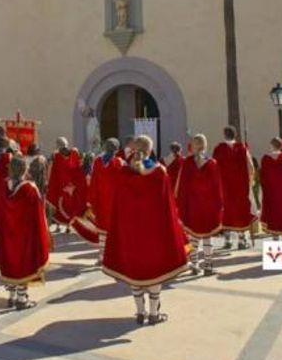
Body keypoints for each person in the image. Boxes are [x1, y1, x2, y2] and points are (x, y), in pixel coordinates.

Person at [103, 135, 189, 325]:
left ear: (135, 148)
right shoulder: (159, 172)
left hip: (130, 231)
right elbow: (168, 206)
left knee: (134, 272)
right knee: (155, 271)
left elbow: (118, 205)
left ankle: (140, 312)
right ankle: (154, 313)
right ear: (150, 149)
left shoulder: (124, 172)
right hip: (154, 232)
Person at [0, 154, 51, 310]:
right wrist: (44, 235)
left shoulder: (4, 186)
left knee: (9, 264)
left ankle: (12, 296)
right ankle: (22, 299)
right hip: (24, 237)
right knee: (24, 266)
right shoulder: (30, 189)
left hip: (6, 233)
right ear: (25, 169)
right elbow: (38, 215)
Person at [175, 134, 223, 276]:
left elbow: (181, 186)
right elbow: (217, 187)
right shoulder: (212, 163)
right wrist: (219, 204)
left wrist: (181, 205)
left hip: (192, 206)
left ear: (193, 146)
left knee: (192, 237)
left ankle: (194, 264)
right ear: (205, 145)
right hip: (208, 205)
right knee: (208, 236)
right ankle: (208, 265)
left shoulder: (187, 163)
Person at [213, 126, 257, 249]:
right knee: (240, 211)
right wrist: (250, 181)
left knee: (226, 212)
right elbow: (251, 167)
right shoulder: (242, 148)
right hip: (240, 187)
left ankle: (227, 240)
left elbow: (213, 167)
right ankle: (242, 240)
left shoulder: (219, 149)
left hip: (224, 187)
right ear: (235, 135)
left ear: (224, 134)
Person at [87, 138, 123, 264]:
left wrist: (91, 199)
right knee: (115, 229)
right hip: (115, 202)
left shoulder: (97, 161)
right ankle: (115, 257)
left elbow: (93, 181)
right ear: (117, 149)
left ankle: (101, 256)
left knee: (102, 228)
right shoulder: (119, 162)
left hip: (101, 200)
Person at [46, 138, 87, 233]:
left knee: (69, 207)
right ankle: (62, 225)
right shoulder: (57, 156)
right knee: (61, 206)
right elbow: (54, 173)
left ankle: (67, 226)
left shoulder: (73, 154)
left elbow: (78, 171)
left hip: (70, 187)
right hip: (63, 186)